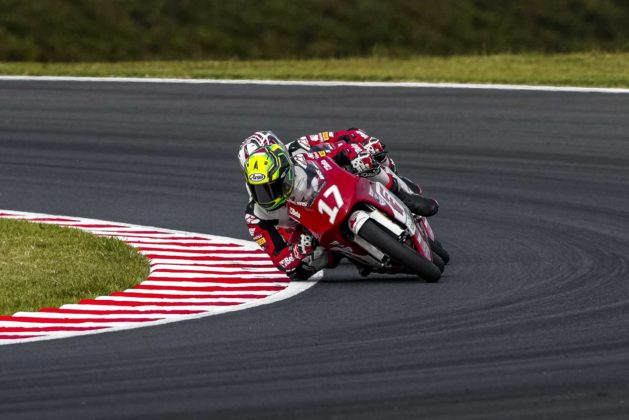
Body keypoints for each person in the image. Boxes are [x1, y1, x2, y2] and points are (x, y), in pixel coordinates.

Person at [239, 130, 439, 279]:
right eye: (261, 189)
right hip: (307, 230)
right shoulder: (255, 215)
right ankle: (357, 256)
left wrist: (361, 148)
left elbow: (343, 141)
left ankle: (405, 196)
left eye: (272, 187)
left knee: (369, 162)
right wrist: (298, 251)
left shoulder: (300, 152)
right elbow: (282, 261)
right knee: (302, 269)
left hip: (332, 187)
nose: (268, 195)